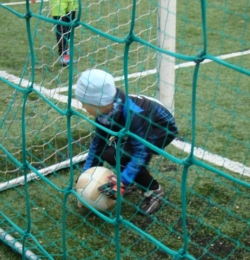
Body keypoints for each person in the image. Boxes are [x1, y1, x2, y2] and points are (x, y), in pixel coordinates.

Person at [75, 69, 178, 215]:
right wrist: (85, 178)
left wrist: (122, 180)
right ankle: (128, 180)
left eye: (84, 103)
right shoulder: (105, 112)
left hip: (160, 129)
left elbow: (142, 152)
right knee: (109, 153)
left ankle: (154, 190)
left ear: (97, 102)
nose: (83, 108)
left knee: (123, 155)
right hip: (137, 129)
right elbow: (98, 144)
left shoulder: (132, 114)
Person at [31, 0, 78, 66]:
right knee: (62, 29)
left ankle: (66, 51)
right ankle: (63, 56)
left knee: (70, 27)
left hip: (72, 2)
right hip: (58, 2)